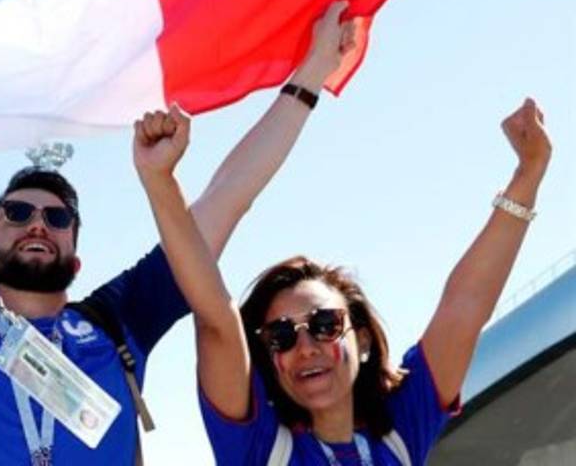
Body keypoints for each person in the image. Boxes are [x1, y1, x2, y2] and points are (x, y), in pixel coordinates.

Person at [0, 2, 356, 465]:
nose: (37, 223)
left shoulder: (117, 319)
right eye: (16, 212)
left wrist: (314, 71)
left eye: (58, 220)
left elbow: (226, 199)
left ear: (77, 261)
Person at [134, 97, 551, 465]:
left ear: (363, 339)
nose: (305, 347)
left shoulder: (401, 431)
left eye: (324, 325)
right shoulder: (258, 449)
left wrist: (528, 174)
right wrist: (161, 182)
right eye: (281, 336)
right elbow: (215, 320)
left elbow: (465, 305)